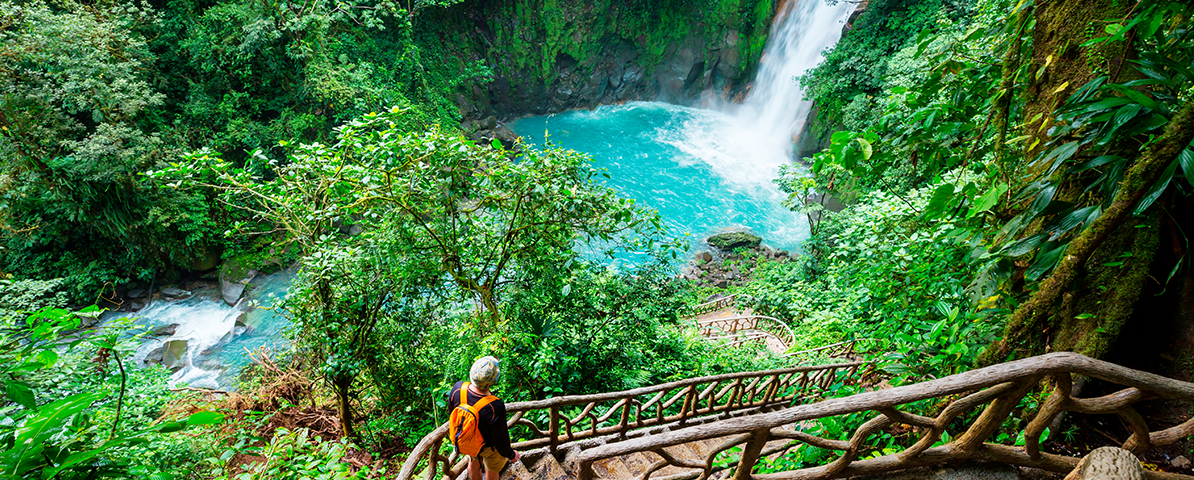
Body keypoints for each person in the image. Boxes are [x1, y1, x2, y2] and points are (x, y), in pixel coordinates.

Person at [447, 356, 521, 480]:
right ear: (494, 380)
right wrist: (511, 454)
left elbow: (451, 413)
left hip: (468, 440)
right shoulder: (494, 406)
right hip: (488, 447)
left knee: (473, 461)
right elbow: (500, 437)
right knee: (492, 469)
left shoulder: (458, 388)